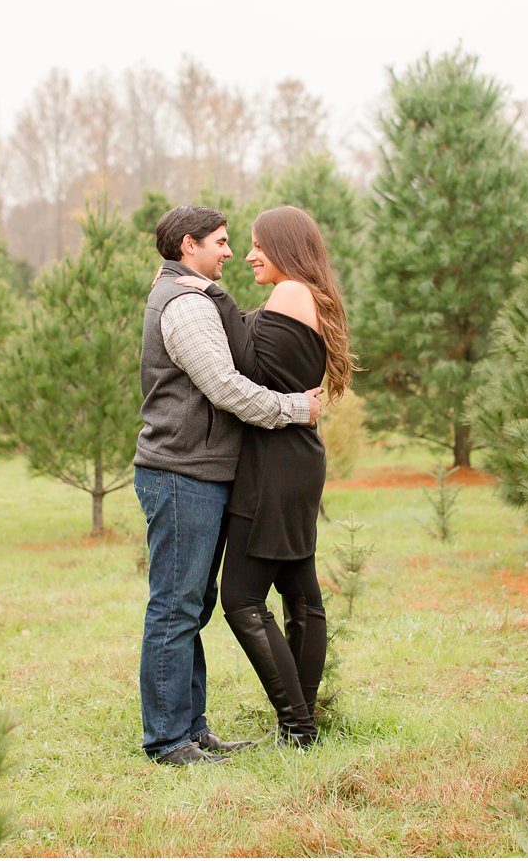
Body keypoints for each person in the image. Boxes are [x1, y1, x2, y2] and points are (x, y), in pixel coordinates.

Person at [135, 204, 322, 767]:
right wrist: (296, 408)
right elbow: (224, 386)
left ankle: (190, 728)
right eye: (218, 241)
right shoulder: (186, 305)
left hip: (205, 471)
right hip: (180, 472)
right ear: (188, 245)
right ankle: (169, 741)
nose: (229, 251)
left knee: (192, 604)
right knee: (174, 607)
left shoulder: (196, 297)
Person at [172, 205, 353, 748]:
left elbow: (244, 374)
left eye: (256, 245)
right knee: (301, 594)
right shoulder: (310, 294)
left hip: (274, 462)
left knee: (243, 599)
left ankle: (298, 728)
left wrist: (216, 302)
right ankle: (300, 729)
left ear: (285, 248)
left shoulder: (291, 292)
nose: (248, 255)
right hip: (296, 457)